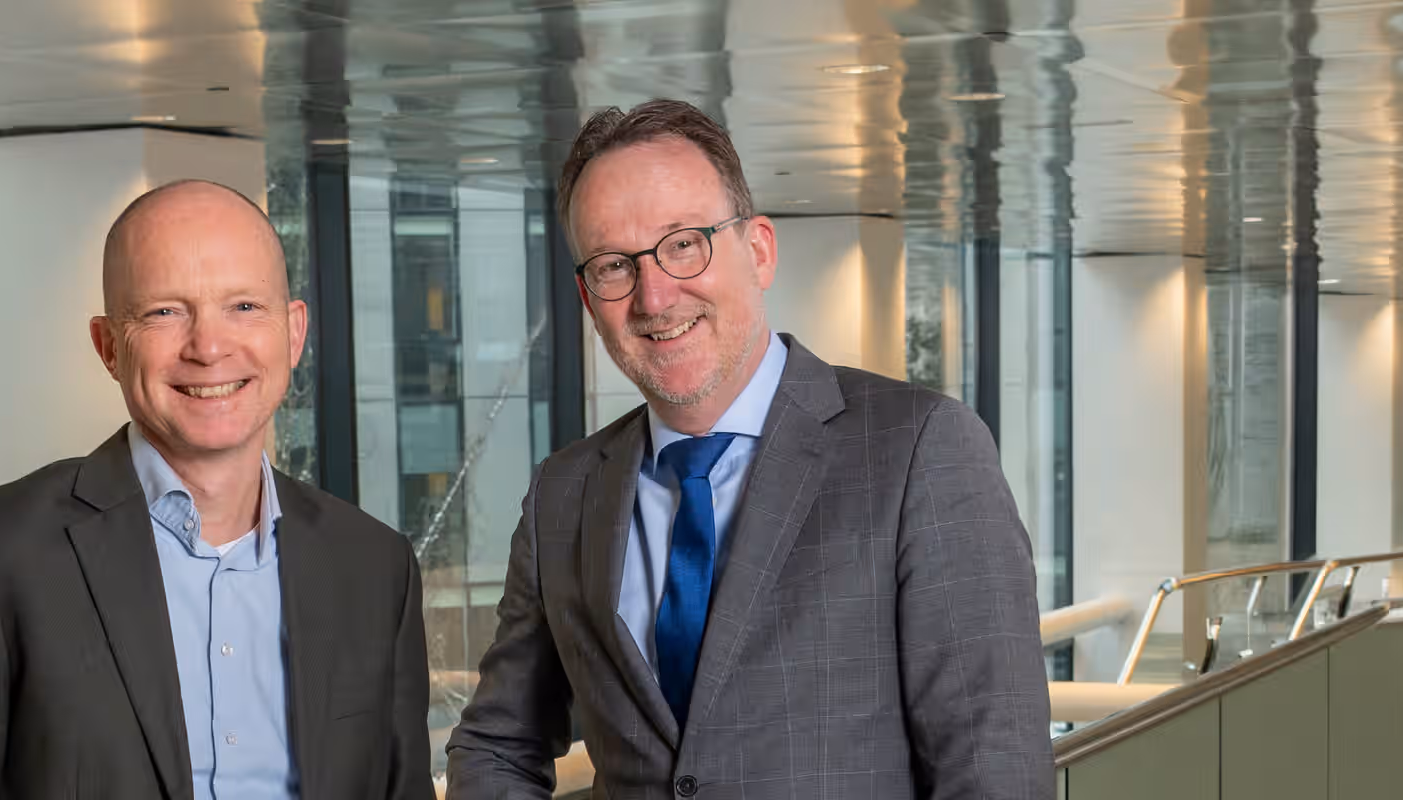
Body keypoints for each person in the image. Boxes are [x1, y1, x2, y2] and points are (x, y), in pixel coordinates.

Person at [445, 100, 1052, 799]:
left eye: (683, 244)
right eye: (614, 265)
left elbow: (994, 770)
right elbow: (498, 745)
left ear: (758, 250)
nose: (654, 297)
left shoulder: (920, 449)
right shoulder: (565, 493)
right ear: (588, 298)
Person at [0, 180, 433, 800]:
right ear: (109, 346)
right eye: (165, 312)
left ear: (294, 333)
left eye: (244, 306)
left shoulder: (374, 566)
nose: (209, 347)